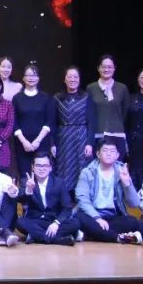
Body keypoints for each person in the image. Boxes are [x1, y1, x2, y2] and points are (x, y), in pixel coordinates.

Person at [74, 138, 141, 243]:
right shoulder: (87, 172)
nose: (109, 154)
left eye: (112, 151)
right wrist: (97, 218)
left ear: (117, 155)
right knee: (79, 218)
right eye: (105, 150)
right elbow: (82, 199)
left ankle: (92, 234)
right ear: (98, 154)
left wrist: (127, 184)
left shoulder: (121, 171)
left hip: (112, 216)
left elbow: (134, 203)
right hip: (92, 215)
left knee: (132, 222)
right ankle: (119, 238)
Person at [15, 153, 79, 245]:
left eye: (45, 165)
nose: (41, 169)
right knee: (20, 222)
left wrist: (56, 223)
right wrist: (28, 190)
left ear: (50, 168)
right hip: (35, 220)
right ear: (32, 167)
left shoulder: (59, 183)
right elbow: (20, 199)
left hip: (53, 221)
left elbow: (67, 208)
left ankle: (36, 237)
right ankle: (57, 239)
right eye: (38, 165)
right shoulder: (27, 181)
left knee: (75, 223)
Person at [11, 63, 55, 179]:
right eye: (28, 75)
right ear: (23, 78)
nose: (31, 78)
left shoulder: (46, 98)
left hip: (41, 143)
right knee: (25, 176)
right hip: (22, 144)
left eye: (34, 75)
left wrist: (37, 141)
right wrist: (24, 142)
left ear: (38, 78)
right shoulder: (17, 98)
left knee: (42, 175)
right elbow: (14, 122)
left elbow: (49, 122)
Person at [53, 66, 90, 197]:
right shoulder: (57, 98)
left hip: (82, 136)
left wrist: (90, 143)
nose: (72, 79)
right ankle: (65, 198)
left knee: (81, 166)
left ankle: (81, 196)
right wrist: (52, 143)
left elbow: (92, 121)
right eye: (69, 76)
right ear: (64, 79)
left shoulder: (86, 97)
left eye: (75, 77)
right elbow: (53, 122)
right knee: (64, 167)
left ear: (79, 79)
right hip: (63, 138)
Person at [85, 55, 129, 160]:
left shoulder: (122, 88)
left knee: (117, 166)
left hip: (117, 135)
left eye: (110, 67)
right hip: (97, 135)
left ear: (114, 68)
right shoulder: (91, 88)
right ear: (98, 68)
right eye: (103, 67)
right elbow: (88, 114)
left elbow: (125, 112)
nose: (106, 70)